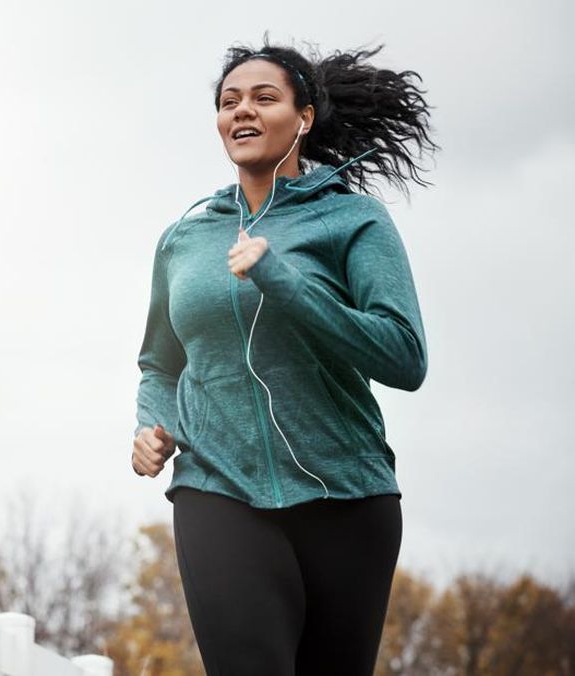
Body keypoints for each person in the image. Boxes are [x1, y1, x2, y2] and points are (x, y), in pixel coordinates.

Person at [131, 38, 438, 675]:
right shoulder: (184, 239)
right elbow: (162, 363)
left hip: (347, 497)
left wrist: (284, 280)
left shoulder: (353, 221)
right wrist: (149, 426)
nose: (241, 111)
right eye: (228, 101)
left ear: (304, 117)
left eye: (263, 98)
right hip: (217, 485)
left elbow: (404, 358)